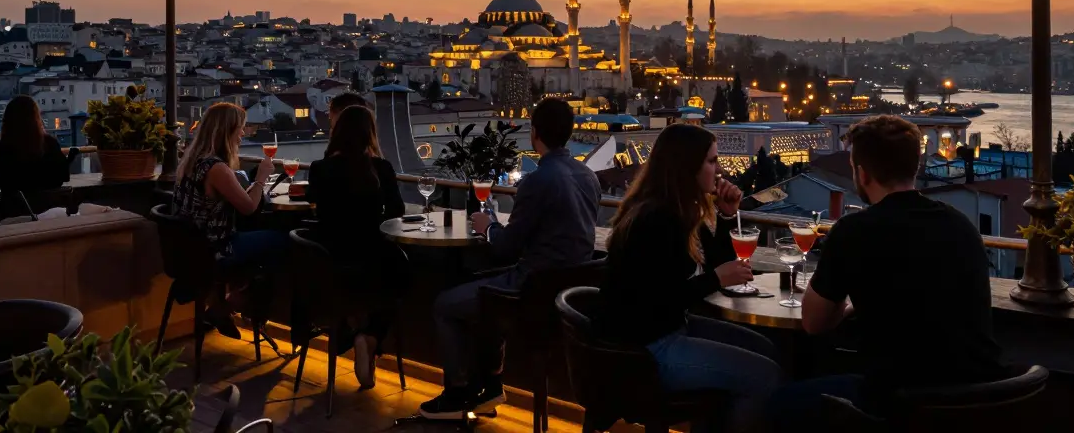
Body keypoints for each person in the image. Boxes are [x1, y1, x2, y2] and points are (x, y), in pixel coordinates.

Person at [773, 114, 1003, 424]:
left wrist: (848, 303)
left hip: (900, 403)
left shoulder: (854, 231)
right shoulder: (961, 224)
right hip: (976, 401)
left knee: (775, 402)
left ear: (862, 174)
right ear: (916, 166)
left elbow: (814, 323)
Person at [419, 98, 601, 420]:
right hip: (569, 299)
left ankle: (457, 395)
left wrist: (488, 226)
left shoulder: (537, 181)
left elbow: (506, 248)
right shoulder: (589, 177)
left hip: (529, 296)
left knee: (446, 305)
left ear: (534, 133)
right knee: (483, 293)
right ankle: (488, 388)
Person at [598, 123, 781, 433]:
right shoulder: (656, 220)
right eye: (712, 161)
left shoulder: (678, 211)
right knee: (765, 376)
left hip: (667, 330)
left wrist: (725, 215)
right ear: (687, 166)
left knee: (766, 348)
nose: (719, 169)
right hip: (645, 350)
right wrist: (715, 280)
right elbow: (654, 302)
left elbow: (717, 266)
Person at [306, 104, 409, 388]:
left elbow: (314, 206)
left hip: (329, 265)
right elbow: (396, 212)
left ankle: (352, 330)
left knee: (357, 293)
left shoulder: (319, 169)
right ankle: (370, 336)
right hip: (373, 262)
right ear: (370, 134)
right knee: (403, 278)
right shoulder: (381, 169)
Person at [173, 102, 289, 336]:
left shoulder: (191, 161)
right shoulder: (216, 168)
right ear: (226, 131)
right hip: (216, 250)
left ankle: (233, 306)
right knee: (285, 242)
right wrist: (261, 178)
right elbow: (248, 208)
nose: (243, 134)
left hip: (193, 250)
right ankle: (232, 304)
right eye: (240, 128)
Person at [0, 96, 71, 201]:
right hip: (48, 211)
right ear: (36, 118)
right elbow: (64, 177)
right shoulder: (50, 144)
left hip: (14, 212)